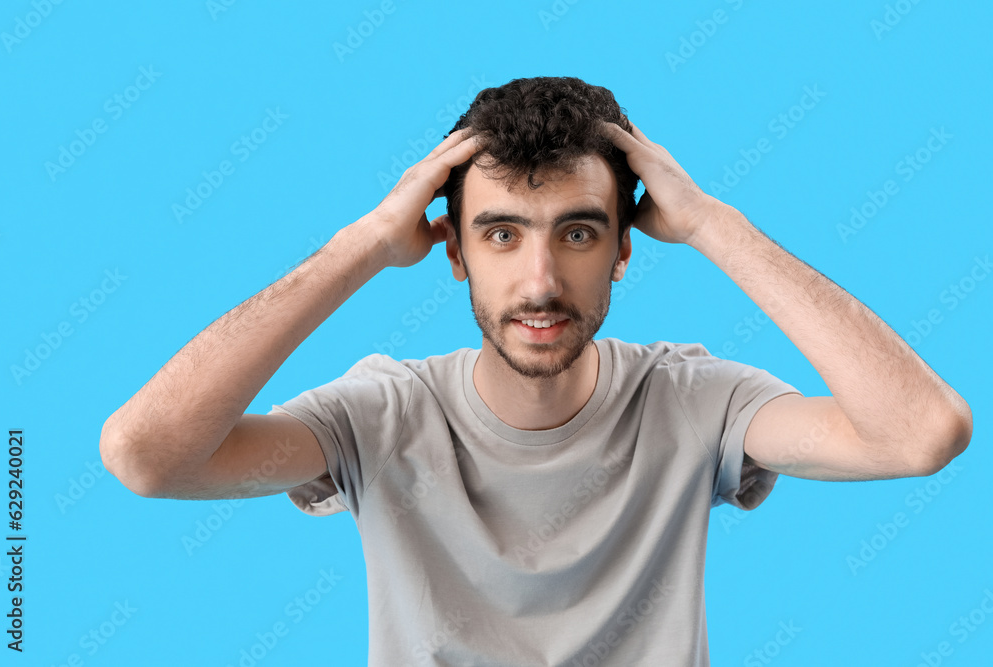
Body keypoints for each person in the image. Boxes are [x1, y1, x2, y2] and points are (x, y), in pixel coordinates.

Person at [100, 76, 972, 665]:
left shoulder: (696, 400)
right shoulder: (380, 415)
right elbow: (148, 456)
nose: (542, 281)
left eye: (580, 232)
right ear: (453, 252)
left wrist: (711, 222)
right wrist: (361, 245)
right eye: (502, 233)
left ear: (627, 247)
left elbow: (921, 432)